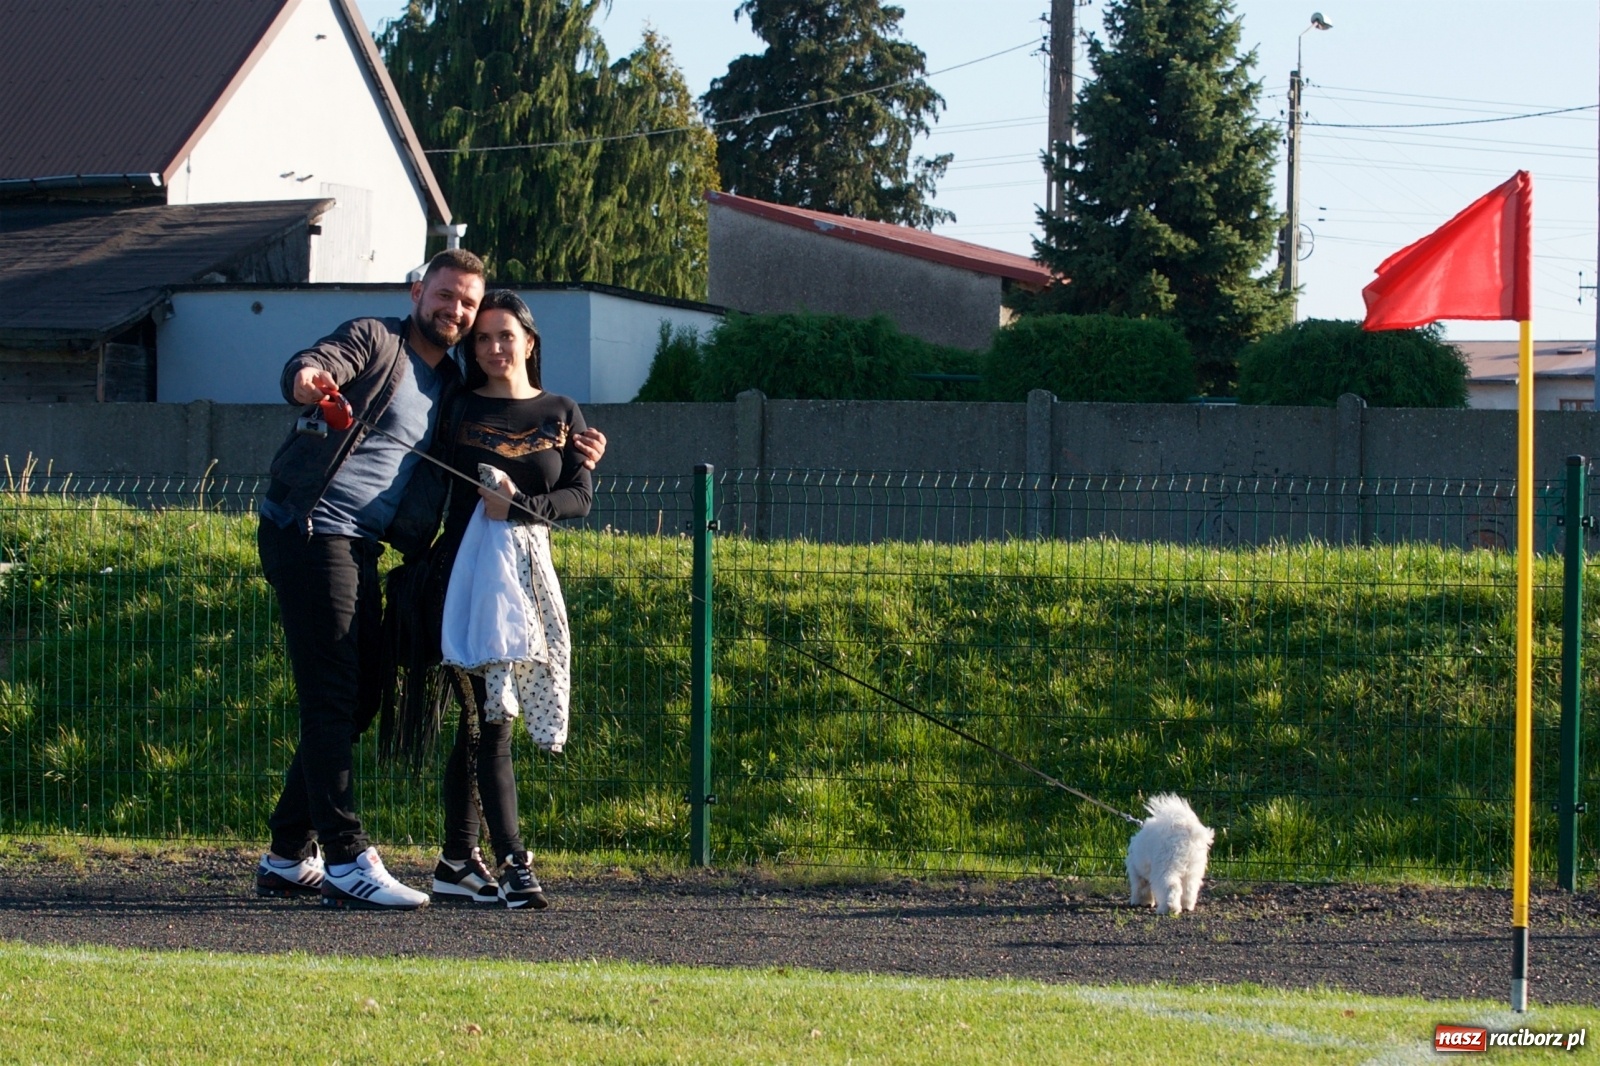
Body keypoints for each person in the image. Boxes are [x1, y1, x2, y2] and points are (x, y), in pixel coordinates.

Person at [252, 251, 605, 910]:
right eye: (446, 297)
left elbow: (537, 455)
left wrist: (580, 452)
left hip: (362, 548)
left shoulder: (451, 388)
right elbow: (320, 359)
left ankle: (284, 853)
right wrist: (308, 377)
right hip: (310, 529)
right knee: (334, 697)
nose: (456, 312)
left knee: (357, 701)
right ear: (419, 292)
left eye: (467, 306)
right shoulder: (375, 338)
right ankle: (347, 856)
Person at [423, 290, 591, 910]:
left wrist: (521, 506)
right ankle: (513, 861)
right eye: (483, 338)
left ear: (530, 341)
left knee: (483, 724)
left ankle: (453, 861)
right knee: (490, 719)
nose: (494, 348)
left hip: (529, 581)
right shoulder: (459, 406)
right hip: (465, 582)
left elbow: (579, 497)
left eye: (505, 336)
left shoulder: (562, 409)